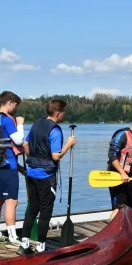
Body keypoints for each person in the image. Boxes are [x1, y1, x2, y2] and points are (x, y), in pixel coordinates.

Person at [17, 99, 76, 255]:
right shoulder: (55, 130)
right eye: (64, 113)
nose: (64, 115)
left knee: (31, 209)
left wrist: (34, 157)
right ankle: (41, 247)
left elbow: (25, 146)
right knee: (45, 212)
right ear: (57, 113)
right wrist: (68, 145)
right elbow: (56, 156)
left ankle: (24, 244)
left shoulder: (36, 124)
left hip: (31, 173)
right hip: (46, 176)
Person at [0, 91, 25, 249]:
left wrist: (20, 167)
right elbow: (19, 140)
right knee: (11, 202)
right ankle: (12, 237)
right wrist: (20, 123)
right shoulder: (6, 119)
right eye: (15, 105)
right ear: (10, 102)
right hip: (8, 166)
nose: (15, 108)